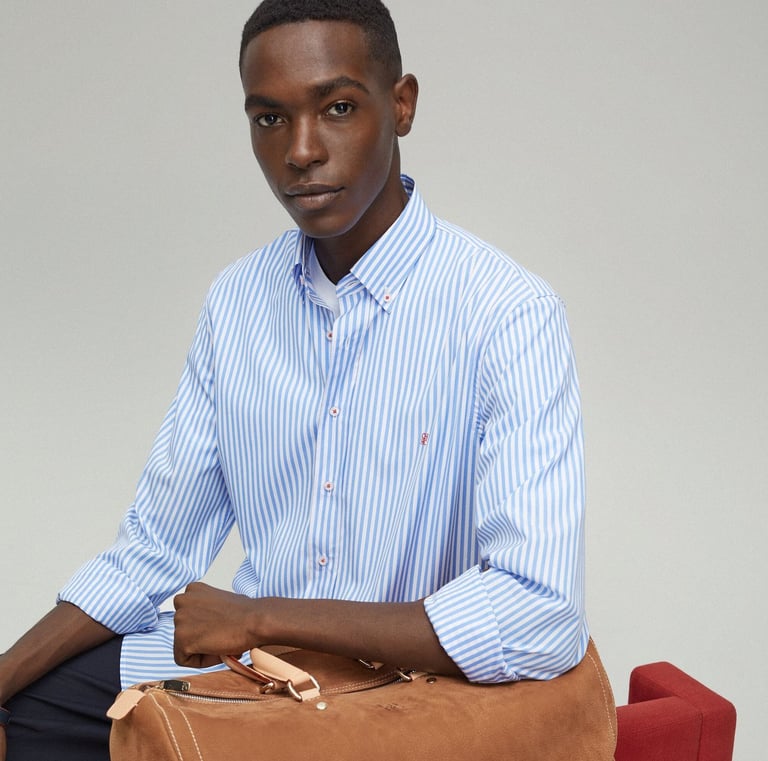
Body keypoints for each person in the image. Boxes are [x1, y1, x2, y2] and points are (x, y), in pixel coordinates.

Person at [0, 1, 589, 758]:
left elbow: (539, 613)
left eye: (337, 108)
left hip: (402, 695)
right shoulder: (238, 301)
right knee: (26, 713)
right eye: (270, 119)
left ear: (401, 105)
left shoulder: (507, 313)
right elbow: (153, 549)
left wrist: (263, 616)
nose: (301, 151)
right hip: (253, 670)